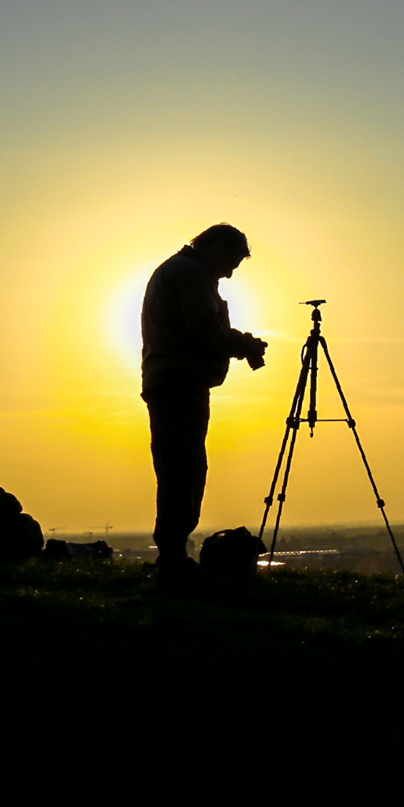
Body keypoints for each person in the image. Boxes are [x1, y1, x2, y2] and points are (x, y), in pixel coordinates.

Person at [139, 224, 267, 581]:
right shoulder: (190, 274)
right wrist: (243, 345)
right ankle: (173, 558)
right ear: (216, 249)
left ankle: (173, 555)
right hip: (179, 385)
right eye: (230, 263)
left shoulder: (182, 271)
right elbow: (204, 330)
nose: (228, 273)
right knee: (184, 470)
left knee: (179, 467)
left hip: (174, 382)